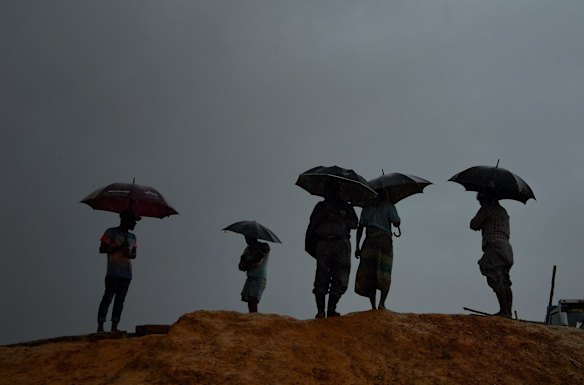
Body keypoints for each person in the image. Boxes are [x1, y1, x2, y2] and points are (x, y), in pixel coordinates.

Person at [305, 180, 358, 318]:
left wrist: (340, 218)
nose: (328, 193)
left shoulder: (346, 207)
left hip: (341, 243)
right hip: (324, 244)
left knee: (340, 277)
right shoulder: (320, 207)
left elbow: (354, 223)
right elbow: (312, 225)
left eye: (331, 189)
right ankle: (321, 311)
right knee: (322, 276)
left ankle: (331, 309)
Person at [354, 190, 401, 310]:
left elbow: (360, 228)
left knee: (370, 273)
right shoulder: (389, 206)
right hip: (384, 242)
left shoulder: (367, 207)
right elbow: (396, 222)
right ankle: (382, 303)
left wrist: (357, 246)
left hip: (369, 242)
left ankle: (373, 306)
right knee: (385, 271)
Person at [470, 191, 514, 318]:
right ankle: (508, 311)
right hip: (507, 248)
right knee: (506, 281)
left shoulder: (487, 209)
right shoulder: (503, 211)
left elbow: (473, 224)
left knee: (495, 277)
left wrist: (482, 217)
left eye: (480, 201)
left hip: (494, 246)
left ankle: (503, 311)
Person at [97, 209, 140, 332]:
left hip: (126, 273)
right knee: (108, 297)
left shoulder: (132, 237)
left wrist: (128, 252)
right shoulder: (111, 232)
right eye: (133, 221)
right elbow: (102, 248)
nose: (135, 224)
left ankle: (115, 325)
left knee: (120, 300)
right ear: (126, 220)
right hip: (113, 271)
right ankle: (101, 324)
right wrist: (118, 247)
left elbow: (134, 255)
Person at [238, 236, 270, 313]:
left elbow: (257, 263)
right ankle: (253, 319)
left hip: (259, 277)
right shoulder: (248, 249)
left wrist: (247, 264)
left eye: (248, 237)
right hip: (251, 277)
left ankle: (255, 319)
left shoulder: (263, 247)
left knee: (253, 300)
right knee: (250, 301)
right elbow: (241, 265)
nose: (246, 239)